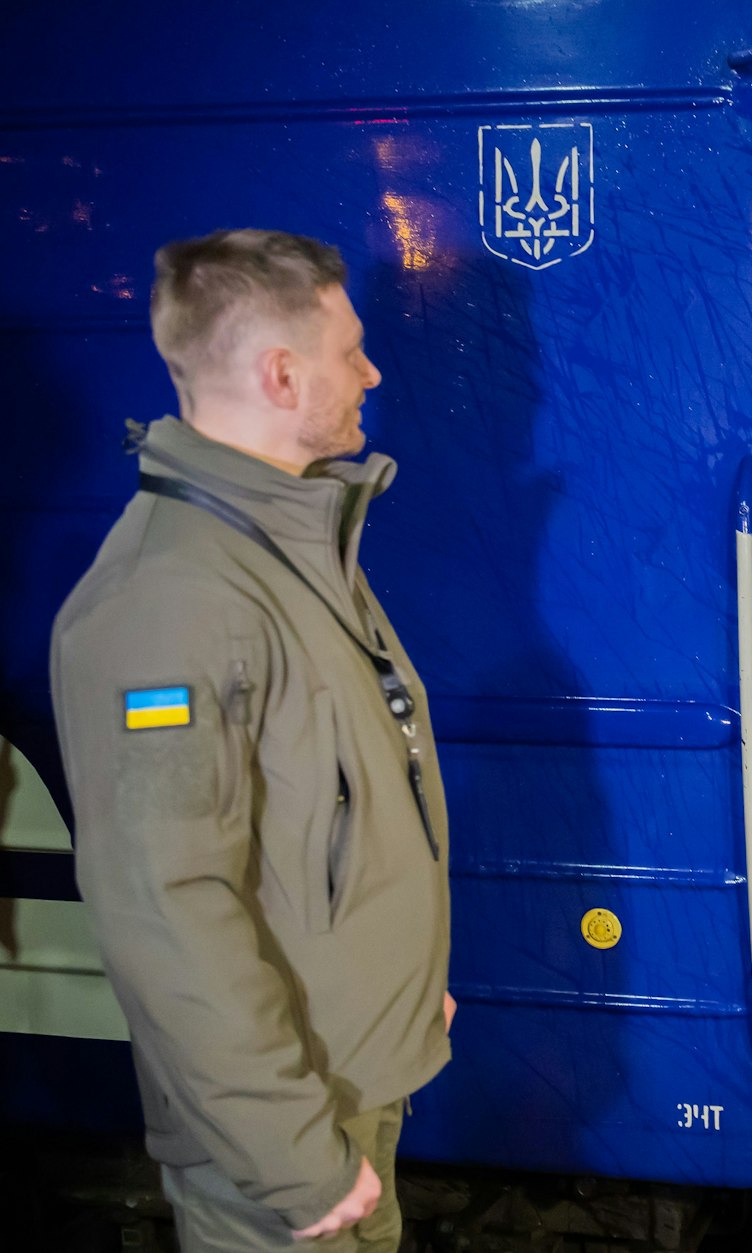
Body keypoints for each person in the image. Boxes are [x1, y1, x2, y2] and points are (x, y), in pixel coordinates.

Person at [50, 229, 452, 1251]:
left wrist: (397, 982)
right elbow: (165, 905)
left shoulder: (285, 543)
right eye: (349, 348)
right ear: (280, 371)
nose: (369, 370)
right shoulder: (170, 596)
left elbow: (334, 802)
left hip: (345, 1074)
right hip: (282, 1141)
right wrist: (291, 1155)